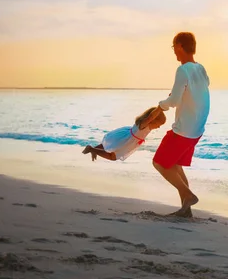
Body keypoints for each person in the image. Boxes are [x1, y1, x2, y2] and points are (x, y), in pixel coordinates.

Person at [142, 32, 210, 218]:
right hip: (197, 129)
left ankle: (188, 195)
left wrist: (159, 107)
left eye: (174, 47)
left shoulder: (183, 70)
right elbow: (202, 88)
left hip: (184, 129)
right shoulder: (201, 68)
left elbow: (174, 100)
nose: (174, 52)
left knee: (159, 163)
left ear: (180, 46)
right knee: (176, 165)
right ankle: (185, 209)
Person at [82, 107, 166, 162]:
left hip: (126, 136)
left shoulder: (144, 124)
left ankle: (94, 150)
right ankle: (91, 149)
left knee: (108, 145)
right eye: (159, 124)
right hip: (127, 140)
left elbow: (151, 116)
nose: (159, 127)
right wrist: (160, 108)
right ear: (153, 120)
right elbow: (151, 116)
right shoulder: (144, 125)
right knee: (112, 157)